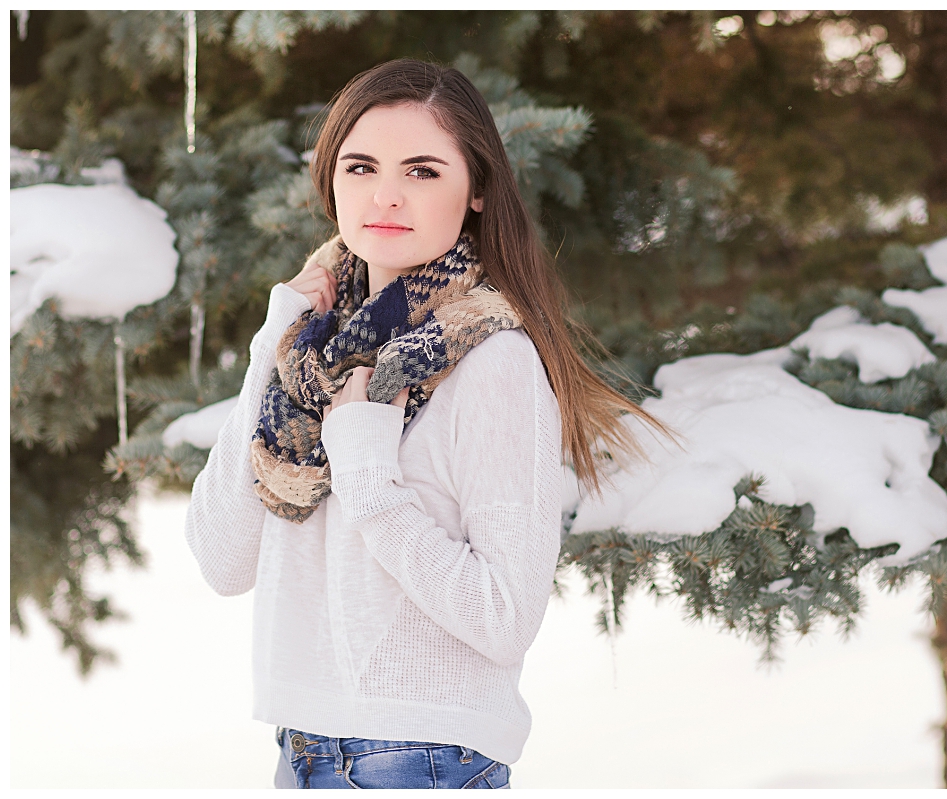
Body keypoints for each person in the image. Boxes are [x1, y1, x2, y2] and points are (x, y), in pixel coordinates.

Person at [184, 58, 667, 789]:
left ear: (475, 191)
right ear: (330, 181)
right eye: (360, 166)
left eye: (422, 171)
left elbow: (505, 618)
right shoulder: (306, 353)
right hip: (301, 752)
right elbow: (223, 560)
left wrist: (369, 476)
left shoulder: (492, 360)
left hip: (424, 758)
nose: (385, 194)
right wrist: (268, 349)